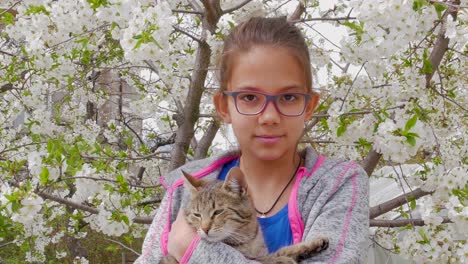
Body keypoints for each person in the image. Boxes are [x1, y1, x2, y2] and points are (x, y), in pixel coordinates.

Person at [136, 16, 369, 264]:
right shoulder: (183, 189)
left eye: (288, 97)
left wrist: (192, 250)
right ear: (224, 107)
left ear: (309, 106)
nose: (269, 116)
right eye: (249, 97)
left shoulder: (339, 184)